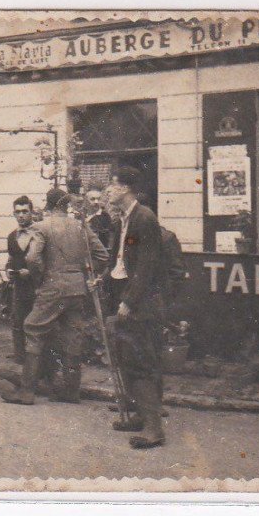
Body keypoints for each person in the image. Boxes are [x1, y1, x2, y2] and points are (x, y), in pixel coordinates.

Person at [3, 188, 108, 405]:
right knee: (73, 337)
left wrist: (41, 276)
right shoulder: (80, 226)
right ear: (66, 205)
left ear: (49, 206)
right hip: (77, 288)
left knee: (32, 327)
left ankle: (26, 392)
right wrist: (82, 272)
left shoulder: (42, 227)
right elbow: (102, 256)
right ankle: (71, 392)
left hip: (52, 286)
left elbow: (32, 259)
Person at [105, 167, 166, 448]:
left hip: (142, 304)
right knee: (129, 359)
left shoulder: (144, 218)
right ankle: (140, 417)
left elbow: (147, 265)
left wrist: (129, 301)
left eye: (113, 184)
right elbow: (125, 258)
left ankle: (154, 430)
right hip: (129, 295)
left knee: (142, 363)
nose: (108, 190)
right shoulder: (126, 220)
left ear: (126, 189)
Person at [6, 195, 37, 364]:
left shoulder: (39, 234)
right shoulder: (12, 237)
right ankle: (20, 359)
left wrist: (31, 272)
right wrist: (8, 270)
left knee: (35, 325)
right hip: (19, 287)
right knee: (17, 321)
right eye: (18, 212)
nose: (21, 215)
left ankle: (36, 362)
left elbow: (47, 261)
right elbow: (11, 259)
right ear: (14, 214)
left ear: (31, 212)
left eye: (25, 211)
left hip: (37, 288)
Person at [85, 185, 113, 250]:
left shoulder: (105, 216)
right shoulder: (82, 215)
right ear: (86, 201)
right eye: (92, 199)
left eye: (98, 199)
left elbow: (109, 236)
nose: (96, 202)